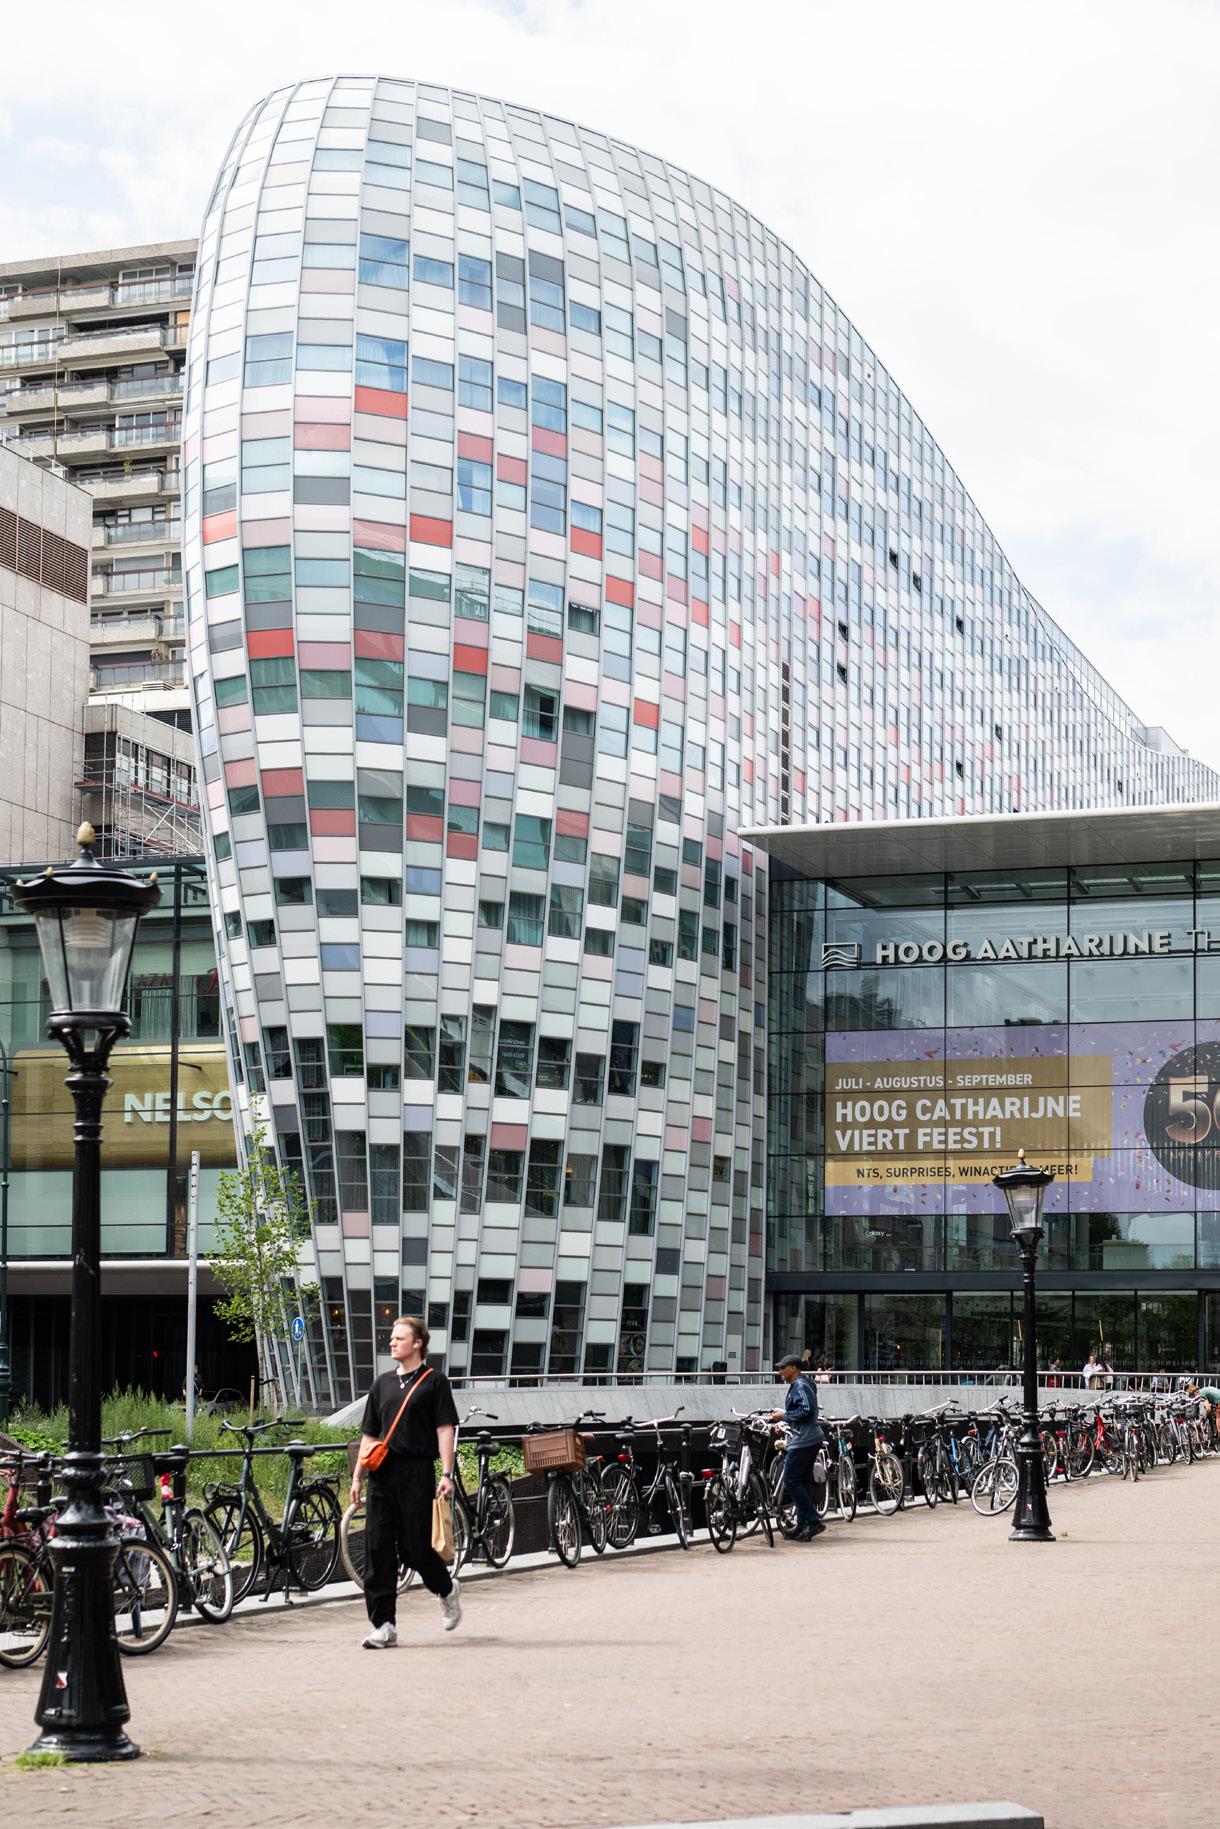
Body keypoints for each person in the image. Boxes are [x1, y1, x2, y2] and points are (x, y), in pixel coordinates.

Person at [351, 1315, 461, 1649]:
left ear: (418, 1343)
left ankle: (446, 1589)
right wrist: (358, 1476)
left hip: (416, 1472)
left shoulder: (434, 1382)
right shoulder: (381, 1384)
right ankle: (384, 1625)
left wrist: (446, 1473)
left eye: (399, 1338)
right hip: (382, 1474)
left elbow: (445, 1429)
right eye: (392, 1337)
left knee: (415, 1549)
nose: (392, 1342)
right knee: (378, 1548)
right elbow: (370, 1435)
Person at [771, 1354, 825, 1541]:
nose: (780, 1372)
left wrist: (783, 1416)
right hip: (809, 1437)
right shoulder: (801, 1385)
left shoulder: (800, 1385)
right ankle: (803, 1525)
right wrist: (785, 1422)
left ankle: (813, 1520)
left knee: (791, 1480)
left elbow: (806, 1410)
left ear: (793, 1369)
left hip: (804, 1439)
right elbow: (802, 1412)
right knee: (803, 1482)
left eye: (783, 1368)